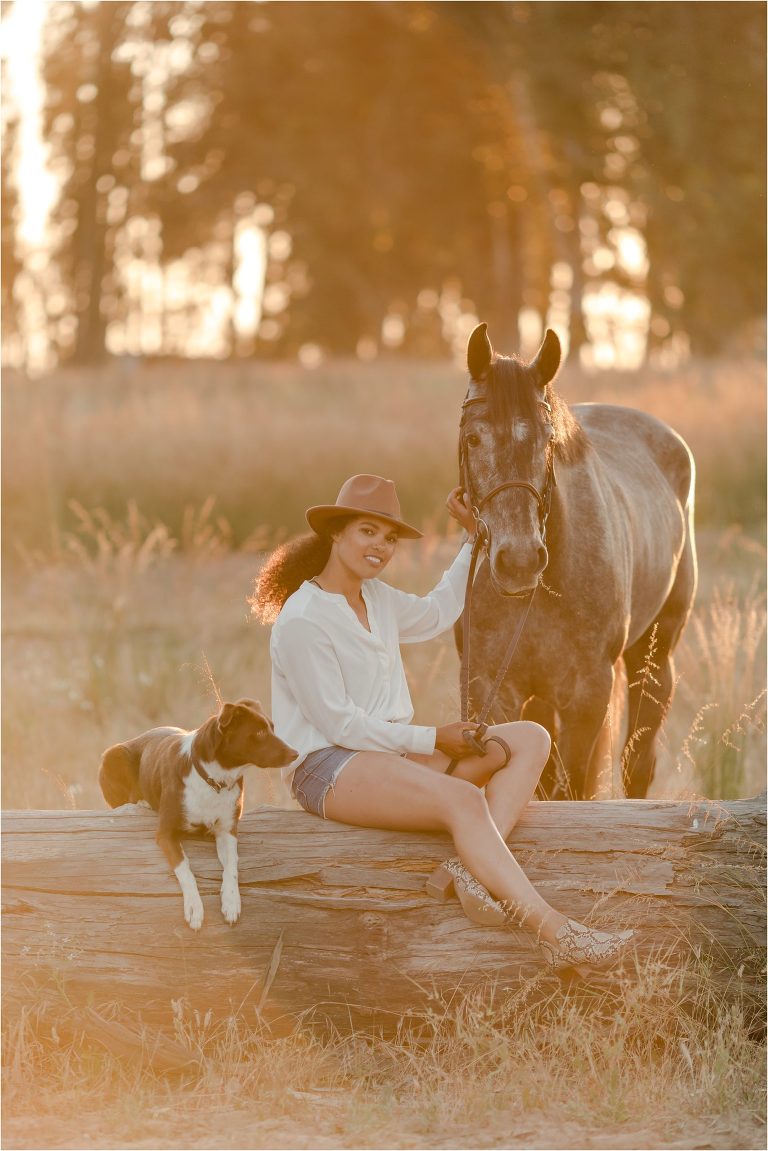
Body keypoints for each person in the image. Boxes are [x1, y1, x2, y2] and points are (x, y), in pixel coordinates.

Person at [252, 474, 633, 972]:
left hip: (386, 756)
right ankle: (555, 930)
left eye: (389, 538)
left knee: (528, 739)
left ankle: (467, 871)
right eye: (368, 531)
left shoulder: (378, 599)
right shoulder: (303, 619)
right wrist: (435, 738)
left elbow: (436, 613)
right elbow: (340, 724)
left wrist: (472, 540)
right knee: (464, 797)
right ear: (337, 534)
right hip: (327, 767)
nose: (381, 546)